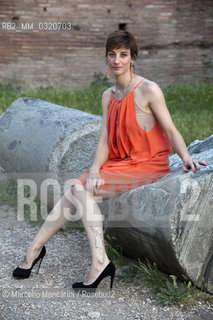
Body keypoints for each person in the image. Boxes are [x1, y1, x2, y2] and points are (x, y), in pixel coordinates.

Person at [12, 30, 208, 292]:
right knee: (76, 188)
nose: (117, 60)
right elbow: (105, 139)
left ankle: (96, 262)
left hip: (148, 163)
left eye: (123, 55)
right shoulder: (108, 96)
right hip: (120, 163)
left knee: (79, 190)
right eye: (112, 54)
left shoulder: (148, 90)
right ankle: (35, 251)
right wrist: (94, 170)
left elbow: (171, 129)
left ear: (133, 58)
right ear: (106, 58)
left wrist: (186, 157)